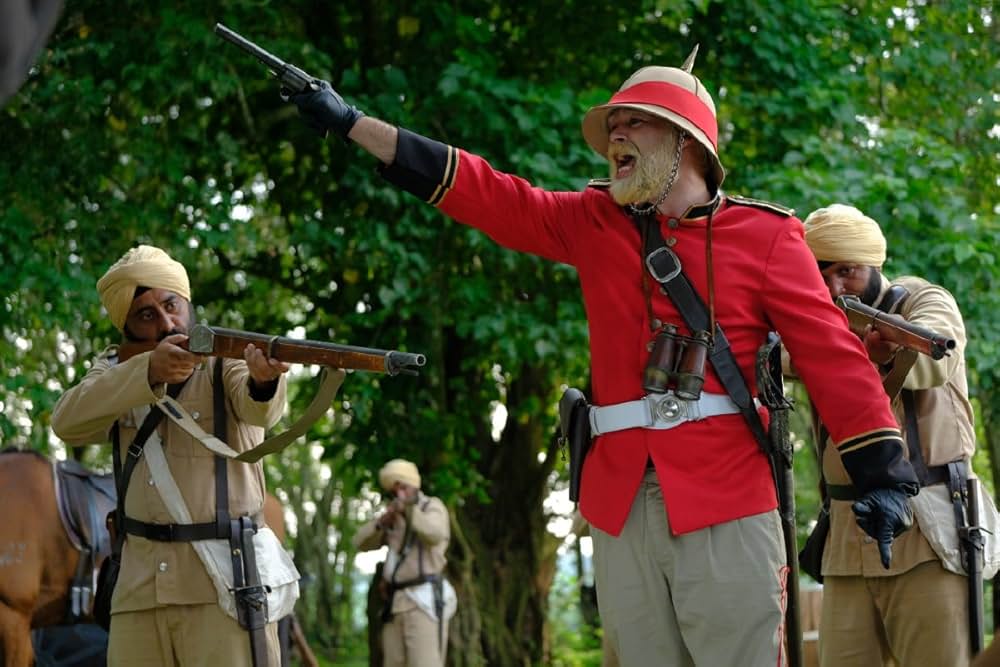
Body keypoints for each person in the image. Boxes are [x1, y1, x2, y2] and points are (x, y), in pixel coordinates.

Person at [288, 49, 920, 666]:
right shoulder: (592, 220)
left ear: (686, 143)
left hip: (727, 495)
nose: (614, 132)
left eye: (633, 121)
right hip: (619, 500)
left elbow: (832, 354)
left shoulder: (768, 236)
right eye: (611, 124)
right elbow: (491, 195)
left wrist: (884, 473)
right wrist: (352, 124)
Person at [51, 245, 300, 667]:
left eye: (171, 306)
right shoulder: (116, 369)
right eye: (146, 315)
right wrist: (146, 373)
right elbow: (67, 422)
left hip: (224, 586)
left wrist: (263, 379)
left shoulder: (226, 360)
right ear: (127, 329)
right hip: (138, 590)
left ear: (188, 306)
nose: (166, 322)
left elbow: (261, 408)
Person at [800, 204, 1000, 666]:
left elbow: (936, 358)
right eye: (819, 273)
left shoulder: (923, 300)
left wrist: (886, 349)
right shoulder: (813, 323)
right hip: (845, 539)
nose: (833, 287)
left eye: (845, 271)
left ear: (872, 262)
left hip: (929, 530)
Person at [353, 459, 456, 667]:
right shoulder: (393, 519)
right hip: (395, 602)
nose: (399, 494)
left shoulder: (432, 506)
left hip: (424, 601)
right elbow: (360, 543)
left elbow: (434, 534)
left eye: (403, 487)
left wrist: (409, 512)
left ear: (414, 485)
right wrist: (381, 523)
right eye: (395, 489)